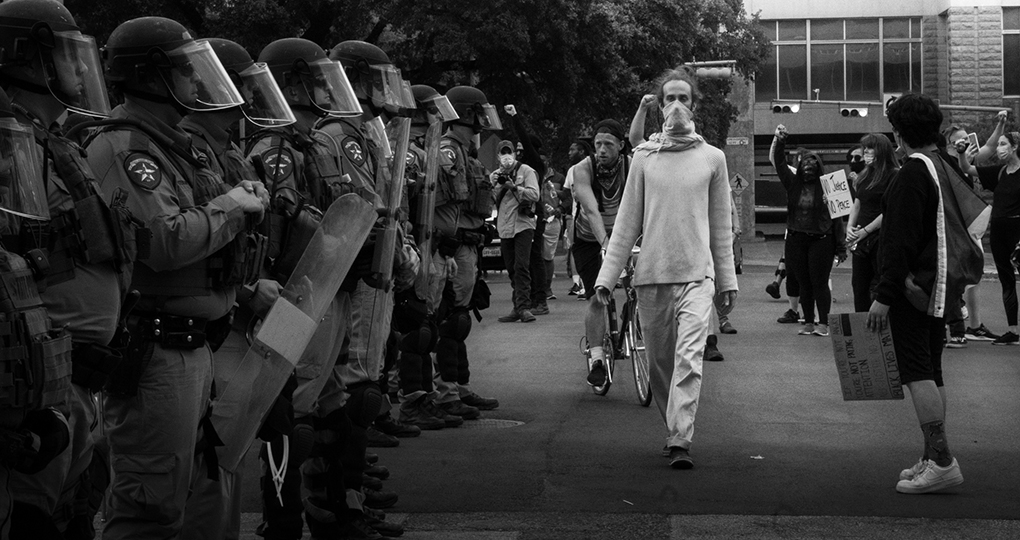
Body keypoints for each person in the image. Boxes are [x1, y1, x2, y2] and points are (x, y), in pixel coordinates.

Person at [83, 16, 268, 539]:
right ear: (149, 76)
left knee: (191, 491)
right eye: (185, 70)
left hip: (193, 346)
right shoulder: (125, 147)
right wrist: (233, 206)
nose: (197, 81)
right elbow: (163, 243)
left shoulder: (168, 145)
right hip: (156, 349)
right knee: (150, 506)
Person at [248, 37, 397, 540]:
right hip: (295, 296)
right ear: (291, 84)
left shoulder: (310, 145)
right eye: (315, 79)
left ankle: (335, 511)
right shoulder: (276, 150)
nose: (327, 89)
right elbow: (288, 223)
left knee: (334, 400)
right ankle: (283, 521)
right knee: (291, 413)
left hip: (329, 286)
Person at [175, 37, 293, 540]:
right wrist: (248, 293)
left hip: (269, 307)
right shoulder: (186, 151)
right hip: (226, 320)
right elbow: (178, 247)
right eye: (234, 85)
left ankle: (292, 517)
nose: (243, 99)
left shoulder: (238, 153)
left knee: (259, 432)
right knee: (214, 457)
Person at [594, 69, 736, 469]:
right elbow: (626, 224)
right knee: (660, 366)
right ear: (658, 106)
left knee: (689, 358)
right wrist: (606, 279)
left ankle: (679, 439)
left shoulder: (713, 158)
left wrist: (726, 281)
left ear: (694, 105)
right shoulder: (643, 158)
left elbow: (720, 226)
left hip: (696, 276)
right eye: (669, 98)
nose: (677, 105)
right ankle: (672, 425)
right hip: (652, 275)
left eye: (684, 98)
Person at [868, 92, 979, 494]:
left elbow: (898, 240)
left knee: (916, 372)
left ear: (898, 134)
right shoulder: (946, 165)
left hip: (914, 289)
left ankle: (943, 461)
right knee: (932, 369)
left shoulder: (912, 172)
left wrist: (885, 293)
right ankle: (933, 455)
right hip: (942, 285)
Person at [428, 85, 501, 417]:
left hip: (468, 243)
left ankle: (459, 386)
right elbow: (440, 205)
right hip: (454, 246)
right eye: (479, 113)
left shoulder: (464, 152)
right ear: (467, 114)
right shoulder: (447, 151)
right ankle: (444, 392)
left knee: (459, 319)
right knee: (448, 320)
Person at [771, 124, 847, 336]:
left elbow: (838, 219)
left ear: (820, 166)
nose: (809, 167)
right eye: (806, 163)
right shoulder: (792, 183)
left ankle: (823, 323)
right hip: (796, 239)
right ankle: (808, 321)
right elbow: (779, 164)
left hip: (822, 240)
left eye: (813, 163)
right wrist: (779, 141)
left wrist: (841, 248)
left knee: (819, 282)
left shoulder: (831, 185)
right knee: (804, 281)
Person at [570, 118, 630, 386]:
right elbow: (592, 210)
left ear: (621, 145)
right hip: (589, 239)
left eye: (608, 144)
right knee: (597, 296)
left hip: (624, 234)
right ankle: (597, 359)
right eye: (597, 144)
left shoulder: (633, 165)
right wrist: (607, 245)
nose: (602, 149)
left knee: (642, 286)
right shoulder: (582, 169)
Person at [947, 114, 1008, 344]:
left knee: (973, 274)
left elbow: (990, 146)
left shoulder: (970, 159)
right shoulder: (947, 161)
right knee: (961, 274)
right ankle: (961, 323)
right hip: (958, 224)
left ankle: (972, 324)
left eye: (967, 139)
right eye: (959, 140)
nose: (965, 143)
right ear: (950, 144)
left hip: (972, 224)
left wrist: (1000, 124)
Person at [965, 129, 1020, 345]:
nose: (999, 149)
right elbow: (967, 168)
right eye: (998, 145)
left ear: (1014, 147)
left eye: (1003, 144)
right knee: (1006, 280)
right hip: (998, 230)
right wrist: (963, 153)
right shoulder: (999, 172)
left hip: (1018, 229)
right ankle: (1013, 331)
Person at [504, 105, 550, 315]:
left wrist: (515, 117)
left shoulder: (535, 164)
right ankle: (527, 299)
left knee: (534, 255)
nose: (519, 152)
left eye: (522, 148)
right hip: (519, 213)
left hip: (534, 211)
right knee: (523, 259)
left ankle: (540, 299)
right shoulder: (518, 168)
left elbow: (524, 137)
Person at [846, 133, 898, 313]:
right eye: (865, 148)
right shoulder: (864, 176)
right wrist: (849, 228)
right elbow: (857, 204)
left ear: (881, 150)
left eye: (869, 148)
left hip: (880, 238)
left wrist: (866, 231)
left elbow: (889, 211)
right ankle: (862, 331)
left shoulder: (894, 175)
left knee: (879, 286)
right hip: (860, 240)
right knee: (859, 286)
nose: (866, 152)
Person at [493, 140, 541, 322]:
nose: (506, 157)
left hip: (522, 224)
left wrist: (514, 187)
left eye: (508, 152)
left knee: (522, 266)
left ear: (514, 153)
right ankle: (517, 306)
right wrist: (496, 185)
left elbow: (535, 195)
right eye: (502, 153)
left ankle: (524, 307)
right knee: (511, 268)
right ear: (498, 156)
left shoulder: (526, 171)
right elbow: (490, 198)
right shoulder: (495, 175)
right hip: (504, 227)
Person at [564, 139, 591, 297]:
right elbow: (567, 194)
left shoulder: (593, 167)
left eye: (572, 150)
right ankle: (580, 283)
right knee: (577, 251)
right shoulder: (572, 171)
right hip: (576, 217)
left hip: (596, 217)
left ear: (581, 151)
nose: (569, 153)